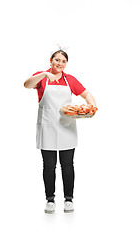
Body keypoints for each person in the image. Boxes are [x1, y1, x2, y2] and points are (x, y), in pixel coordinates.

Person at [24, 48, 97, 214]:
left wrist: (91, 106)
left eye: (63, 61)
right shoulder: (42, 77)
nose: (60, 63)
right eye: (57, 60)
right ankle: (50, 200)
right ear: (51, 60)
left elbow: (87, 95)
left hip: (66, 127)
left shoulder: (69, 79)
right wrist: (43, 74)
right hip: (47, 126)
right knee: (49, 166)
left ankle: (69, 199)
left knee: (67, 165)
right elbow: (26, 84)